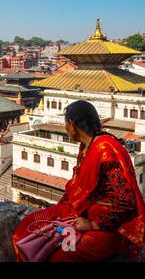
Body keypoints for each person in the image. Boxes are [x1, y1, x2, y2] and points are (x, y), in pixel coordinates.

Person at [12, 100, 145, 262]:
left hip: (108, 228)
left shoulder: (105, 150)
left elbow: (126, 201)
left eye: (65, 124)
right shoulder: (86, 147)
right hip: (81, 211)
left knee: (60, 254)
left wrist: (92, 225)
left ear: (72, 124)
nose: (66, 129)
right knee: (28, 225)